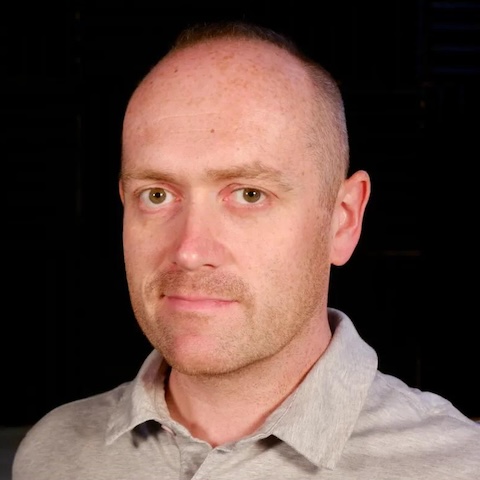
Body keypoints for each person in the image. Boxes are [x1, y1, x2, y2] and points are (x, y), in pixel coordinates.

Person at [13, 20, 480, 480]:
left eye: (249, 194)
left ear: (343, 219)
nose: (190, 251)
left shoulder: (459, 466)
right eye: (157, 195)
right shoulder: (53, 454)